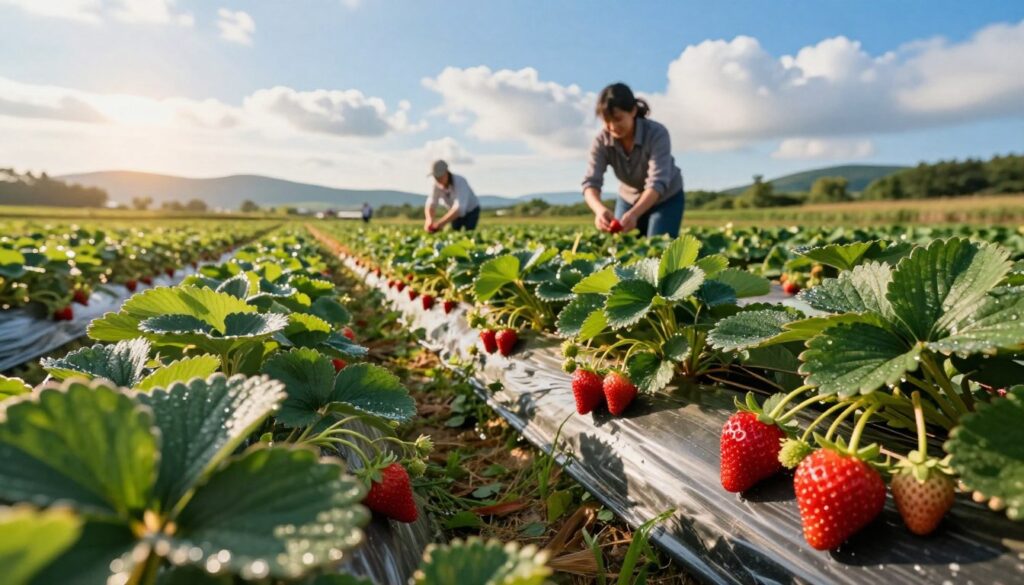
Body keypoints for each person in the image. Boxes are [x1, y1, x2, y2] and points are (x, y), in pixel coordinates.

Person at [581, 82, 685, 237]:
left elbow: (657, 182)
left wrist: (635, 214)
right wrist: (599, 210)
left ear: (633, 111)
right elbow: (591, 182)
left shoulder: (657, 133)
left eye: (617, 119)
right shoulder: (601, 141)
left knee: (659, 250)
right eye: (606, 121)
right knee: (621, 245)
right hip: (628, 198)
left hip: (665, 199)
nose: (612, 126)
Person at [424, 159, 481, 232]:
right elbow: (431, 202)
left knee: (469, 232)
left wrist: (440, 223)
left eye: (440, 177)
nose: (438, 180)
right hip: (454, 213)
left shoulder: (460, 181)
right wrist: (429, 220)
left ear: (447, 173)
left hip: (471, 211)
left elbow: (459, 208)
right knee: (455, 232)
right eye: (436, 177)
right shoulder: (436, 185)